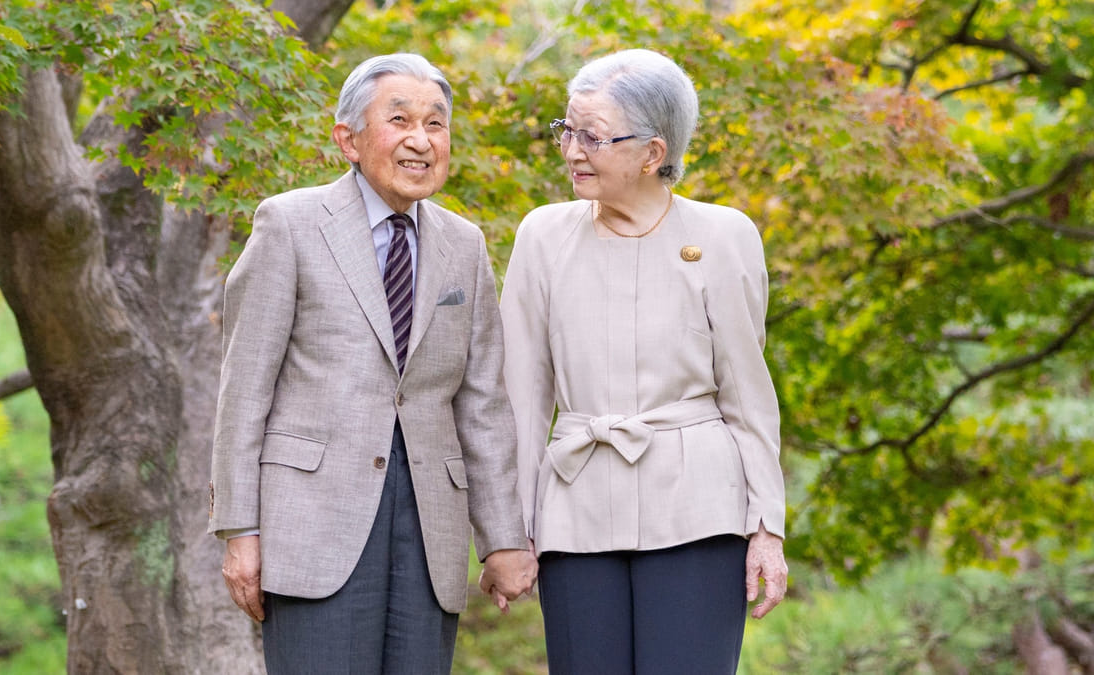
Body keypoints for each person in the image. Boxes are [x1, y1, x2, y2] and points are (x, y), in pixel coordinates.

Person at [208, 52, 537, 674]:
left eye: (436, 124)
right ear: (349, 139)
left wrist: (503, 538)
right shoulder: (290, 224)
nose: (421, 140)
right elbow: (244, 390)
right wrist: (239, 530)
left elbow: (482, 404)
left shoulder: (464, 244)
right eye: (400, 120)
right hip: (310, 520)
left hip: (430, 526)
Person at [499, 48, 788, 674]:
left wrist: (767, 527)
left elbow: (748, 394)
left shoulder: (724, 235)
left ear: (653, 153)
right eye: (566, 131)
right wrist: (509, 531)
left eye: (593, 137)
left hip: (698, 511)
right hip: (574, 511)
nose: (573, 150)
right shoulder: (542, 236)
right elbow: (521, 398)